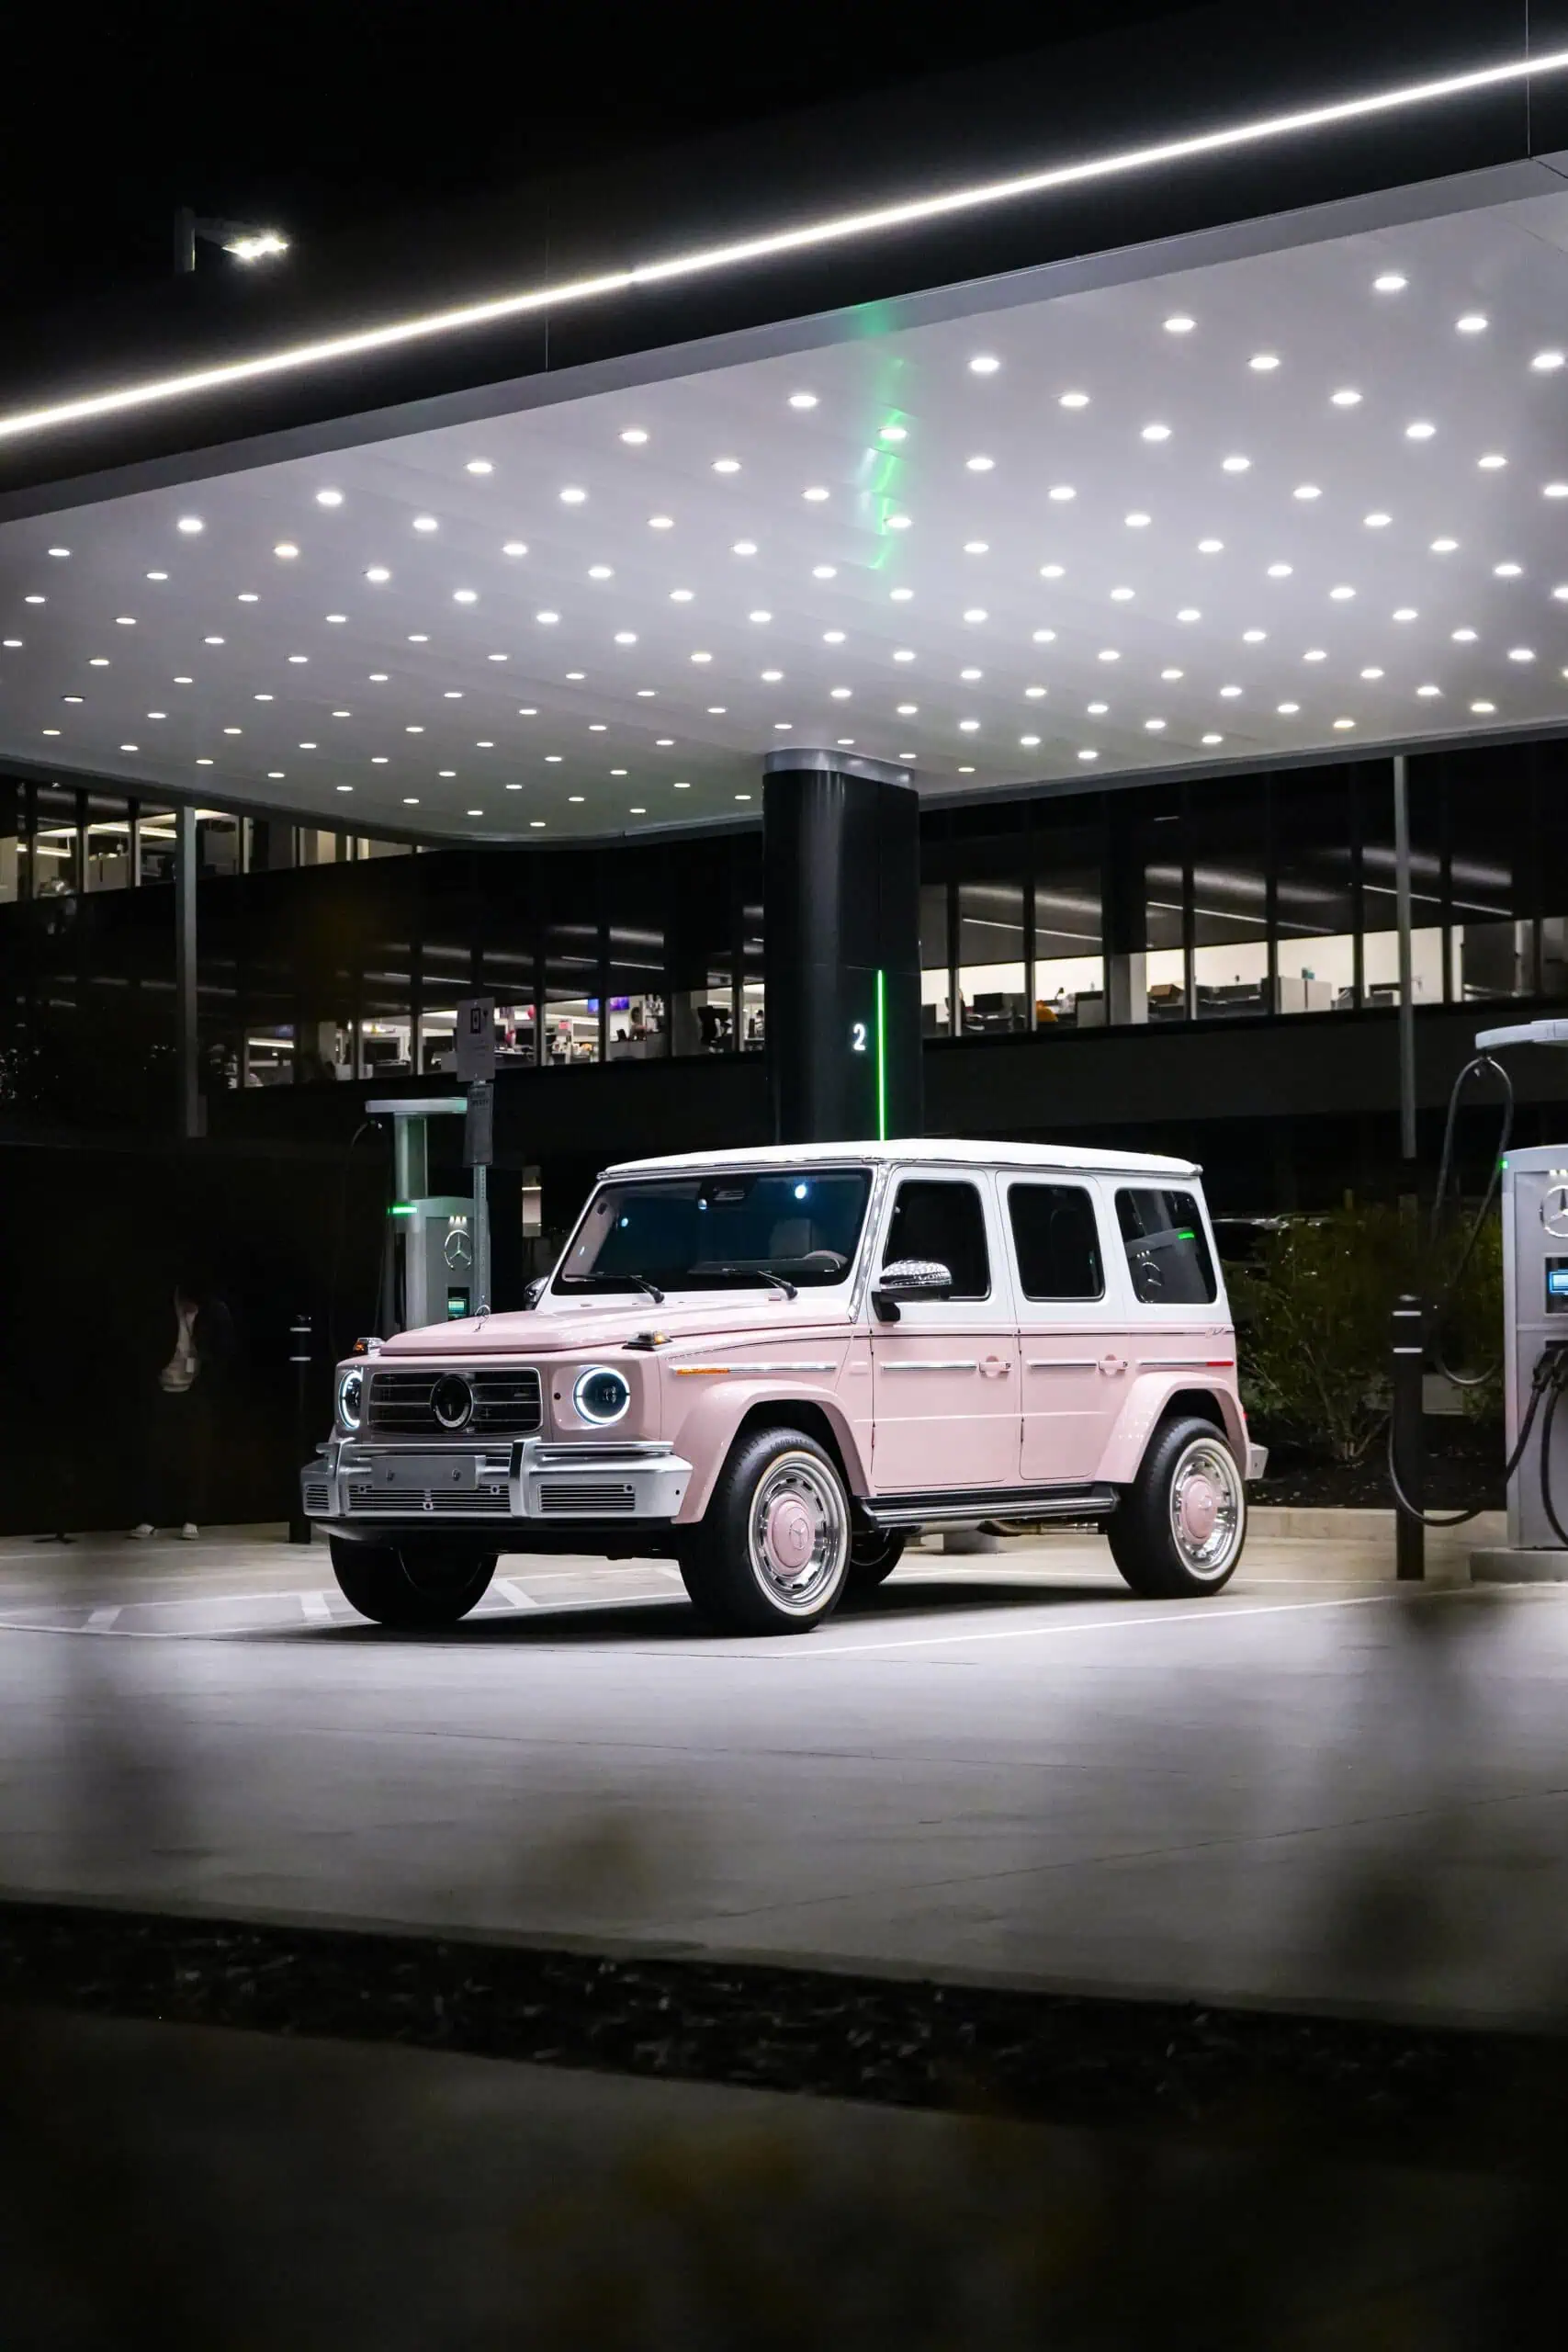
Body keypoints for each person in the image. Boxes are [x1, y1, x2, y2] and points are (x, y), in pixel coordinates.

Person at [130, 1276, 236, 1540]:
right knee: (155, 1456)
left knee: (197, 1457)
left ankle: (192, 1519)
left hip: (196, 1392)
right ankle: (150, 1518)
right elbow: (143, 1347)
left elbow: (224, 1353)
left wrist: (209, 1381)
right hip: (162, 1389)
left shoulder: (214, 1311)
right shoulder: (161, 1309)